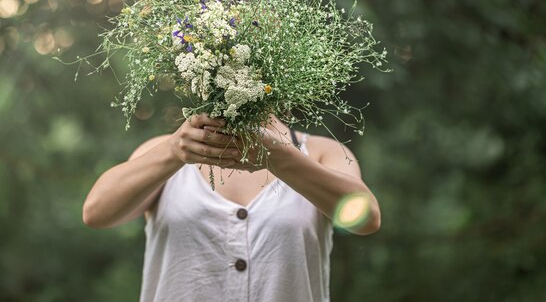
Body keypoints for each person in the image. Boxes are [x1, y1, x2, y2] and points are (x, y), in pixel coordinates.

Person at [82, 113, 381, 302]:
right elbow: (96, 213)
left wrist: (278, 157)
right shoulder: (166, 150)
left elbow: (366, 218)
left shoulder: (321, 152)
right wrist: (173, 151)